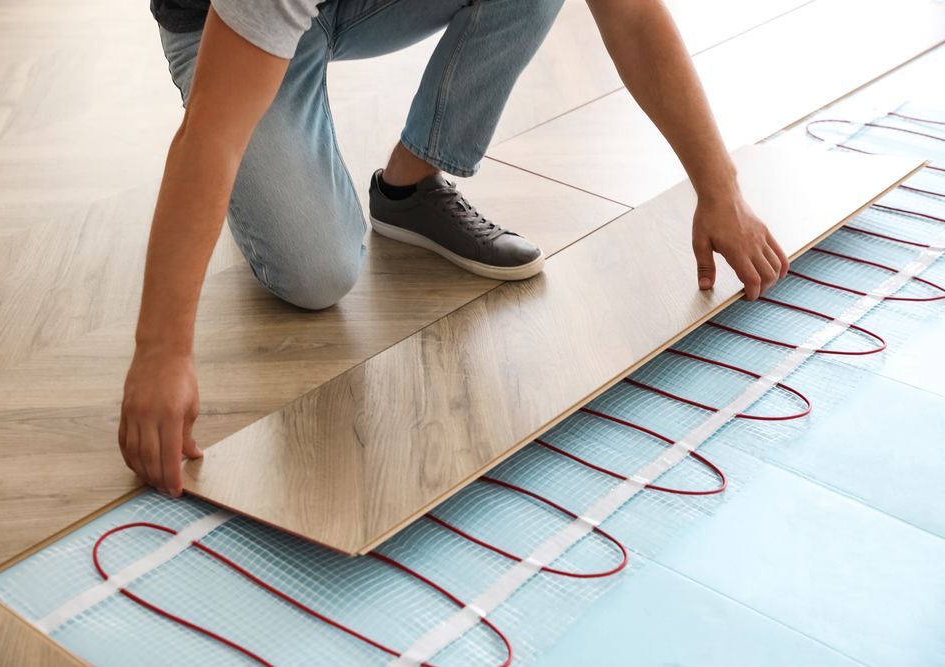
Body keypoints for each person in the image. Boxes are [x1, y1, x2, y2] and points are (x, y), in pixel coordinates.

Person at [120, 0, 790, 496]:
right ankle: (257, 174)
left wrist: (719, 188)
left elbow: (631, 16)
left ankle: (409, 187)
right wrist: (161, 351)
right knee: (316, 273)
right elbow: (213, 135)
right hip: (221, 28)